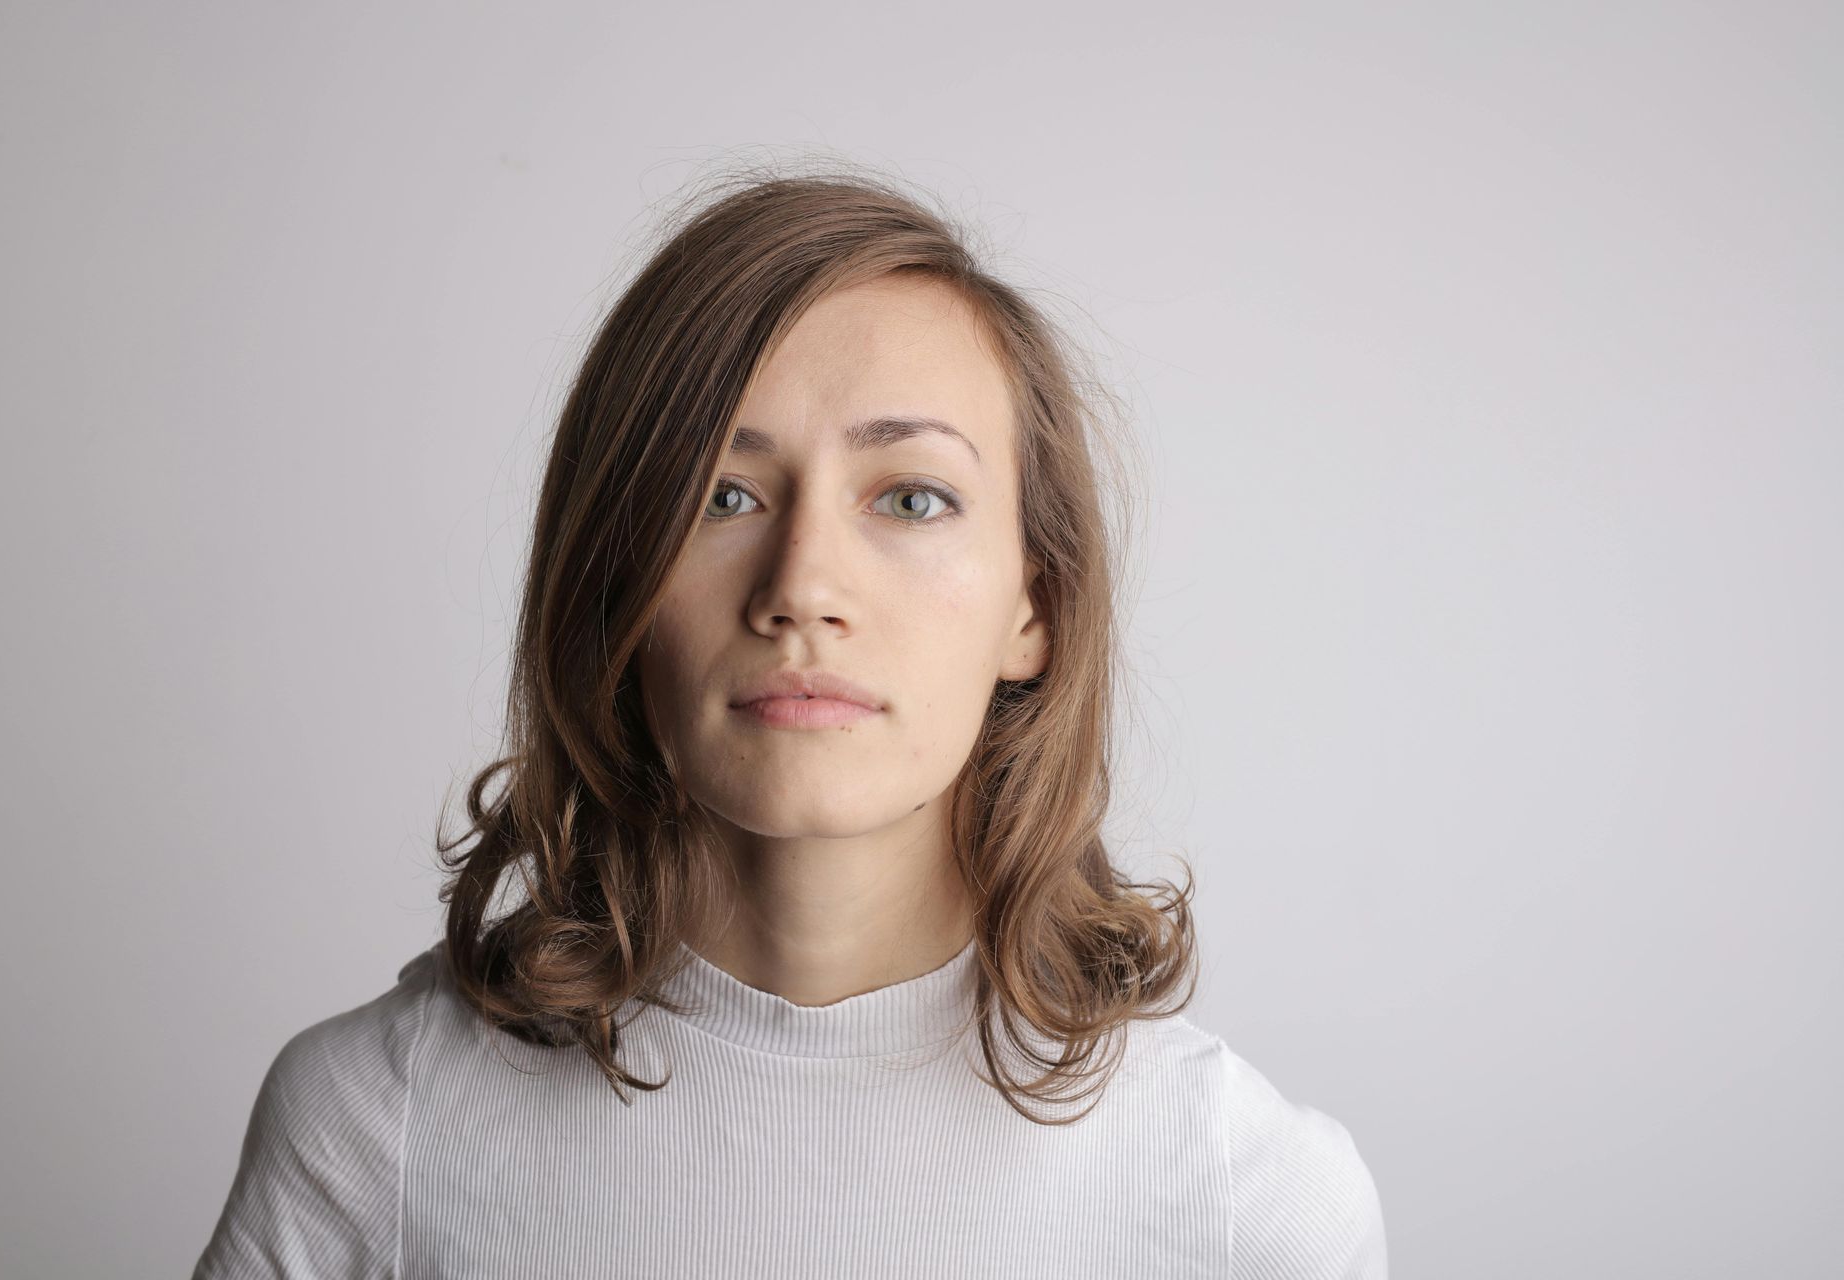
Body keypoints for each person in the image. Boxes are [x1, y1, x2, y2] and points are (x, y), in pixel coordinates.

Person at [192, 166, 1389, 1278]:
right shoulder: (373, 1128)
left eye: (912, 497)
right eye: (723, 494)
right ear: (616, 581)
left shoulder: (1246, 1197)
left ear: (1037, 603)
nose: (802, 585)